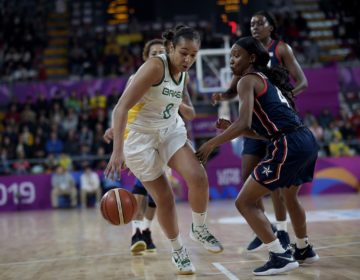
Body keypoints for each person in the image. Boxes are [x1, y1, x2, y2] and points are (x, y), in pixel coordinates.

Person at [104, 25, 223, 275]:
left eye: (193, 54)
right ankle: (178, 250)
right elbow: (121, 108)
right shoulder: (155, 67)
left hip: (170, 130)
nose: (188, 59)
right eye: (183, 53)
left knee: (198, 177)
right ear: (170, 48)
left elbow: (184, 108)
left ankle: (199, 228)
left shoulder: (185, 73)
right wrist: (117, 151)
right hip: (140, 139)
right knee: (165, 200)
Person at [197, 36, 319, 276]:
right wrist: (232, 126)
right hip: (304, 140)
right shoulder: (265, 81)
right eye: (230, 55)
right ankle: (303, 249)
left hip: (289, 143)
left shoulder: (246, 81)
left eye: (236, 55)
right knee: (290, 198)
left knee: (244, 202)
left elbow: (244, 124)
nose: (231, 60)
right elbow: (260, 132)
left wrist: (210, 144)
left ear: (251, 58)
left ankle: (280, 255)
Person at [212, 11, 308, 252]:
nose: (254, 26)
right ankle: (267, 228)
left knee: (276, 182)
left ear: (271, 27)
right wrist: (223, 95)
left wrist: (286, 98)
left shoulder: (281, 49)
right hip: (255, 122)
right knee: (248, 177)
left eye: (260, 23)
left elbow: (303, 82)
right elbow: (235, 87)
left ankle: (283, 232)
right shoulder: (246, 52)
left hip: (277, 124)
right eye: (252, 23)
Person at [103, 38, 196, 255]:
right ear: (146, 58)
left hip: (164, 136)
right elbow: (124, 107)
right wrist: (115, 132)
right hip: (139, 136)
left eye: (161, 52)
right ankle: (137, 231)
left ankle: (144, 231)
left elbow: (191, 113)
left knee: (158, 193)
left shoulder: (177, 78)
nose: (157, 55)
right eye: (153, 53)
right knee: (142, 185)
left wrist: (175, 101)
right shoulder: (137, 77)